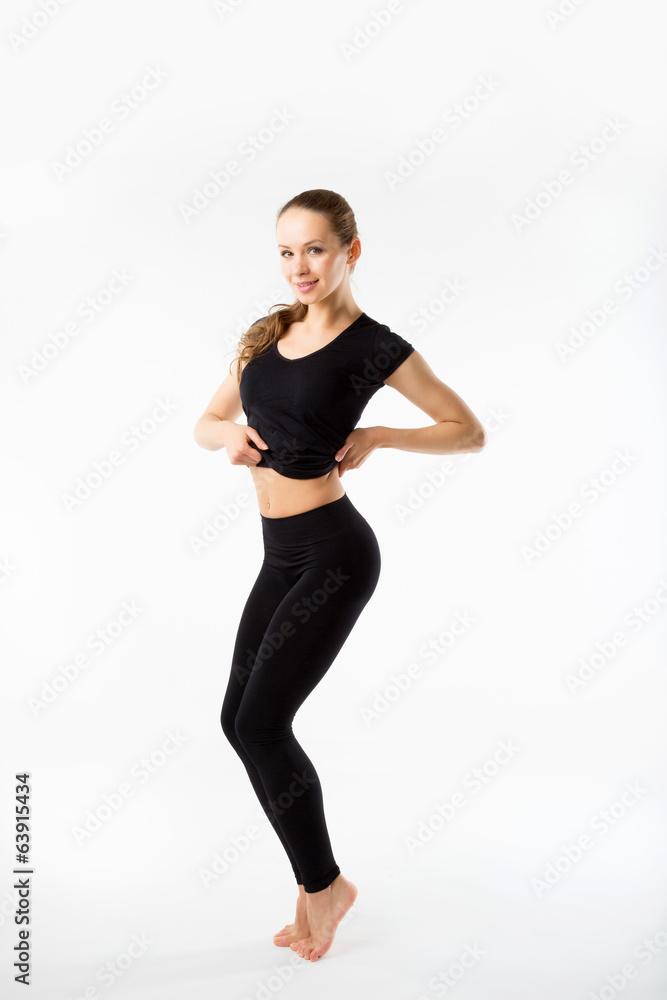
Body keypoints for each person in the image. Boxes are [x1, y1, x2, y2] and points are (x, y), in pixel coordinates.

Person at [193, 188, 486, 962]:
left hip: (333, 554)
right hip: (278, 554)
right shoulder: (265, 334)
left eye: (315, 249)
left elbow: (467, 432)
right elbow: (204, 421)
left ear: (350, 252)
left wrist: (382, 434)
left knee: (261, 724)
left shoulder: (374, 347)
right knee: (236, 722)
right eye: (286, 252)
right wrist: (228, 436)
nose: (299, 266)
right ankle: (318, 885)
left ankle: (323, 888)